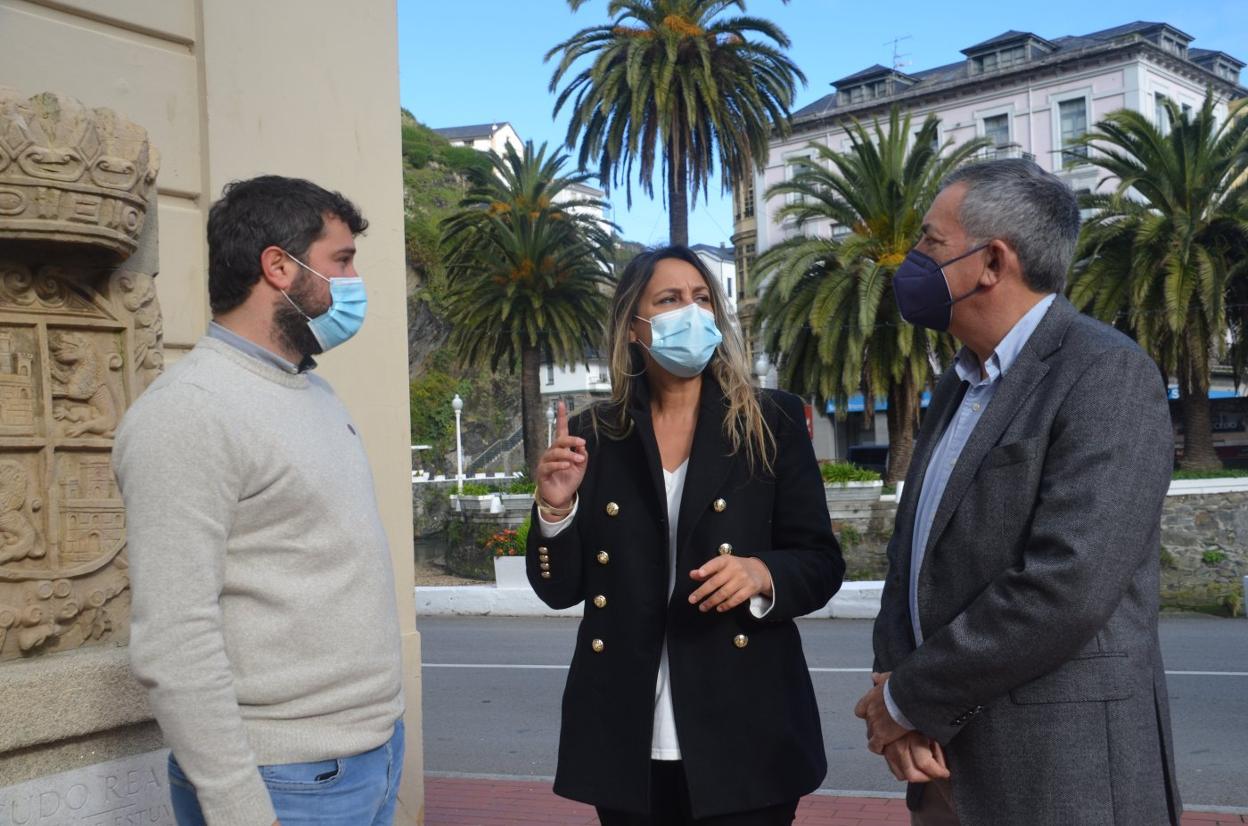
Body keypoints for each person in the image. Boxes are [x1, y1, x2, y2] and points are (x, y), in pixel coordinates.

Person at [854, 158, 1181, 825]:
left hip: (1060, 776)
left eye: (929, 243)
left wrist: (908, 699)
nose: (909, 260)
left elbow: (1066, 586)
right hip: (943, 765)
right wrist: (896, 687)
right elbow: (912, 554)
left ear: (992, 262)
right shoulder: (956, 385)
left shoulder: (1105, 374)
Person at [113, 176, 405, 826]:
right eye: (342, 261)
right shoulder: (188, 414)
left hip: (368, 759)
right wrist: (239, 808)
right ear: (278, 266)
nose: (354, 283)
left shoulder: (311, 392)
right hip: (284, 785)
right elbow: (173, 639)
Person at [529, 245, 845, 825]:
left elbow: (822, 561)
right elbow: (560, 590)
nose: (691, 313)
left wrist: (762, 573)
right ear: (633, 327)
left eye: (701, 299)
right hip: (626, 736)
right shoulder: (596, 435)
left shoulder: (769, 422)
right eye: (670, 300)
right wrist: (556, 510)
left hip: (747, 731)